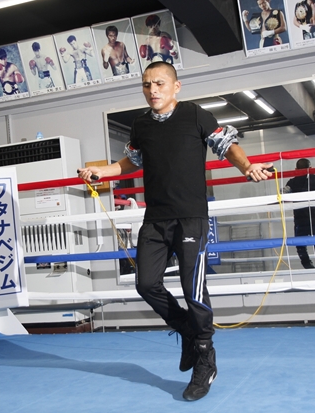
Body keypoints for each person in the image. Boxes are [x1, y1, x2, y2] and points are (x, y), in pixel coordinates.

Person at [78, 62, 272, 401]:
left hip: (190, 218)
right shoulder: (140, 124)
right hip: (155, 219)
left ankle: (205, 356)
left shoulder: (195, 115)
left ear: (176, 86)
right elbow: (132, 161)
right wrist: (102, 172)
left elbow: (226, 145)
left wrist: (247, 166)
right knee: (145, 283)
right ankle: (187, 330)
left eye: (159, 83)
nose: (152, 90)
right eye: (146, 84)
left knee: (192, 290)